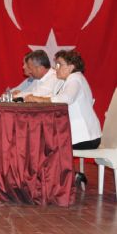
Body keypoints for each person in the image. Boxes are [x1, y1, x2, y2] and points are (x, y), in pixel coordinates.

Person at [25, 50, 102, 186]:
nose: (56, 68)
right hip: (77, 135)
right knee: (42, 141)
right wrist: (38, 98)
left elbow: (66, 98)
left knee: (44, 144)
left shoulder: (75, 78)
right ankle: (64, 177)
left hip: (86, 138)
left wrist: (39, 100)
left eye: (59, 64)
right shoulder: (66, 81)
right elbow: (54, 97)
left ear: (71, 67)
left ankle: (61, 179)